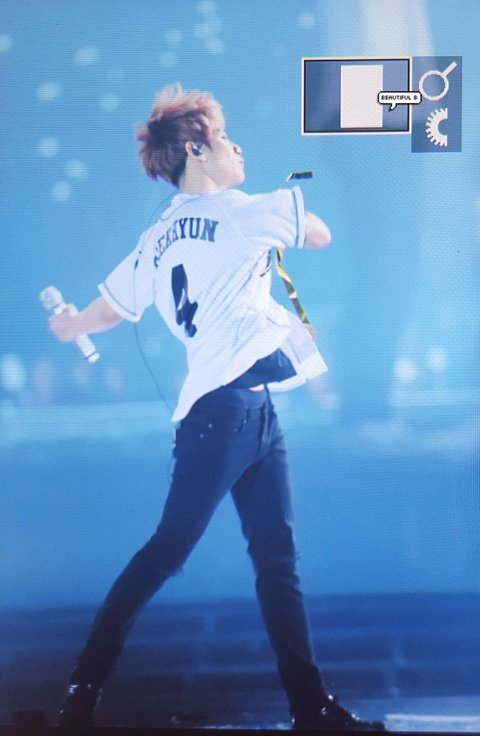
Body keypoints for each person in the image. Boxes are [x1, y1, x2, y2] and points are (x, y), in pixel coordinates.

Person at [49, 83, 385, 731]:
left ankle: (310, 706)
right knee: (174, 552)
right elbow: (320, 235)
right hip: (222, 417)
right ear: (196, 151)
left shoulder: (157, 236)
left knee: (271, 559)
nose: (238, 146)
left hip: (250, 414)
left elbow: (107, 311)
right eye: (226, 137)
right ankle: (80, 693)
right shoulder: (242, 211)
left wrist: (69, 325)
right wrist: (280, 212)